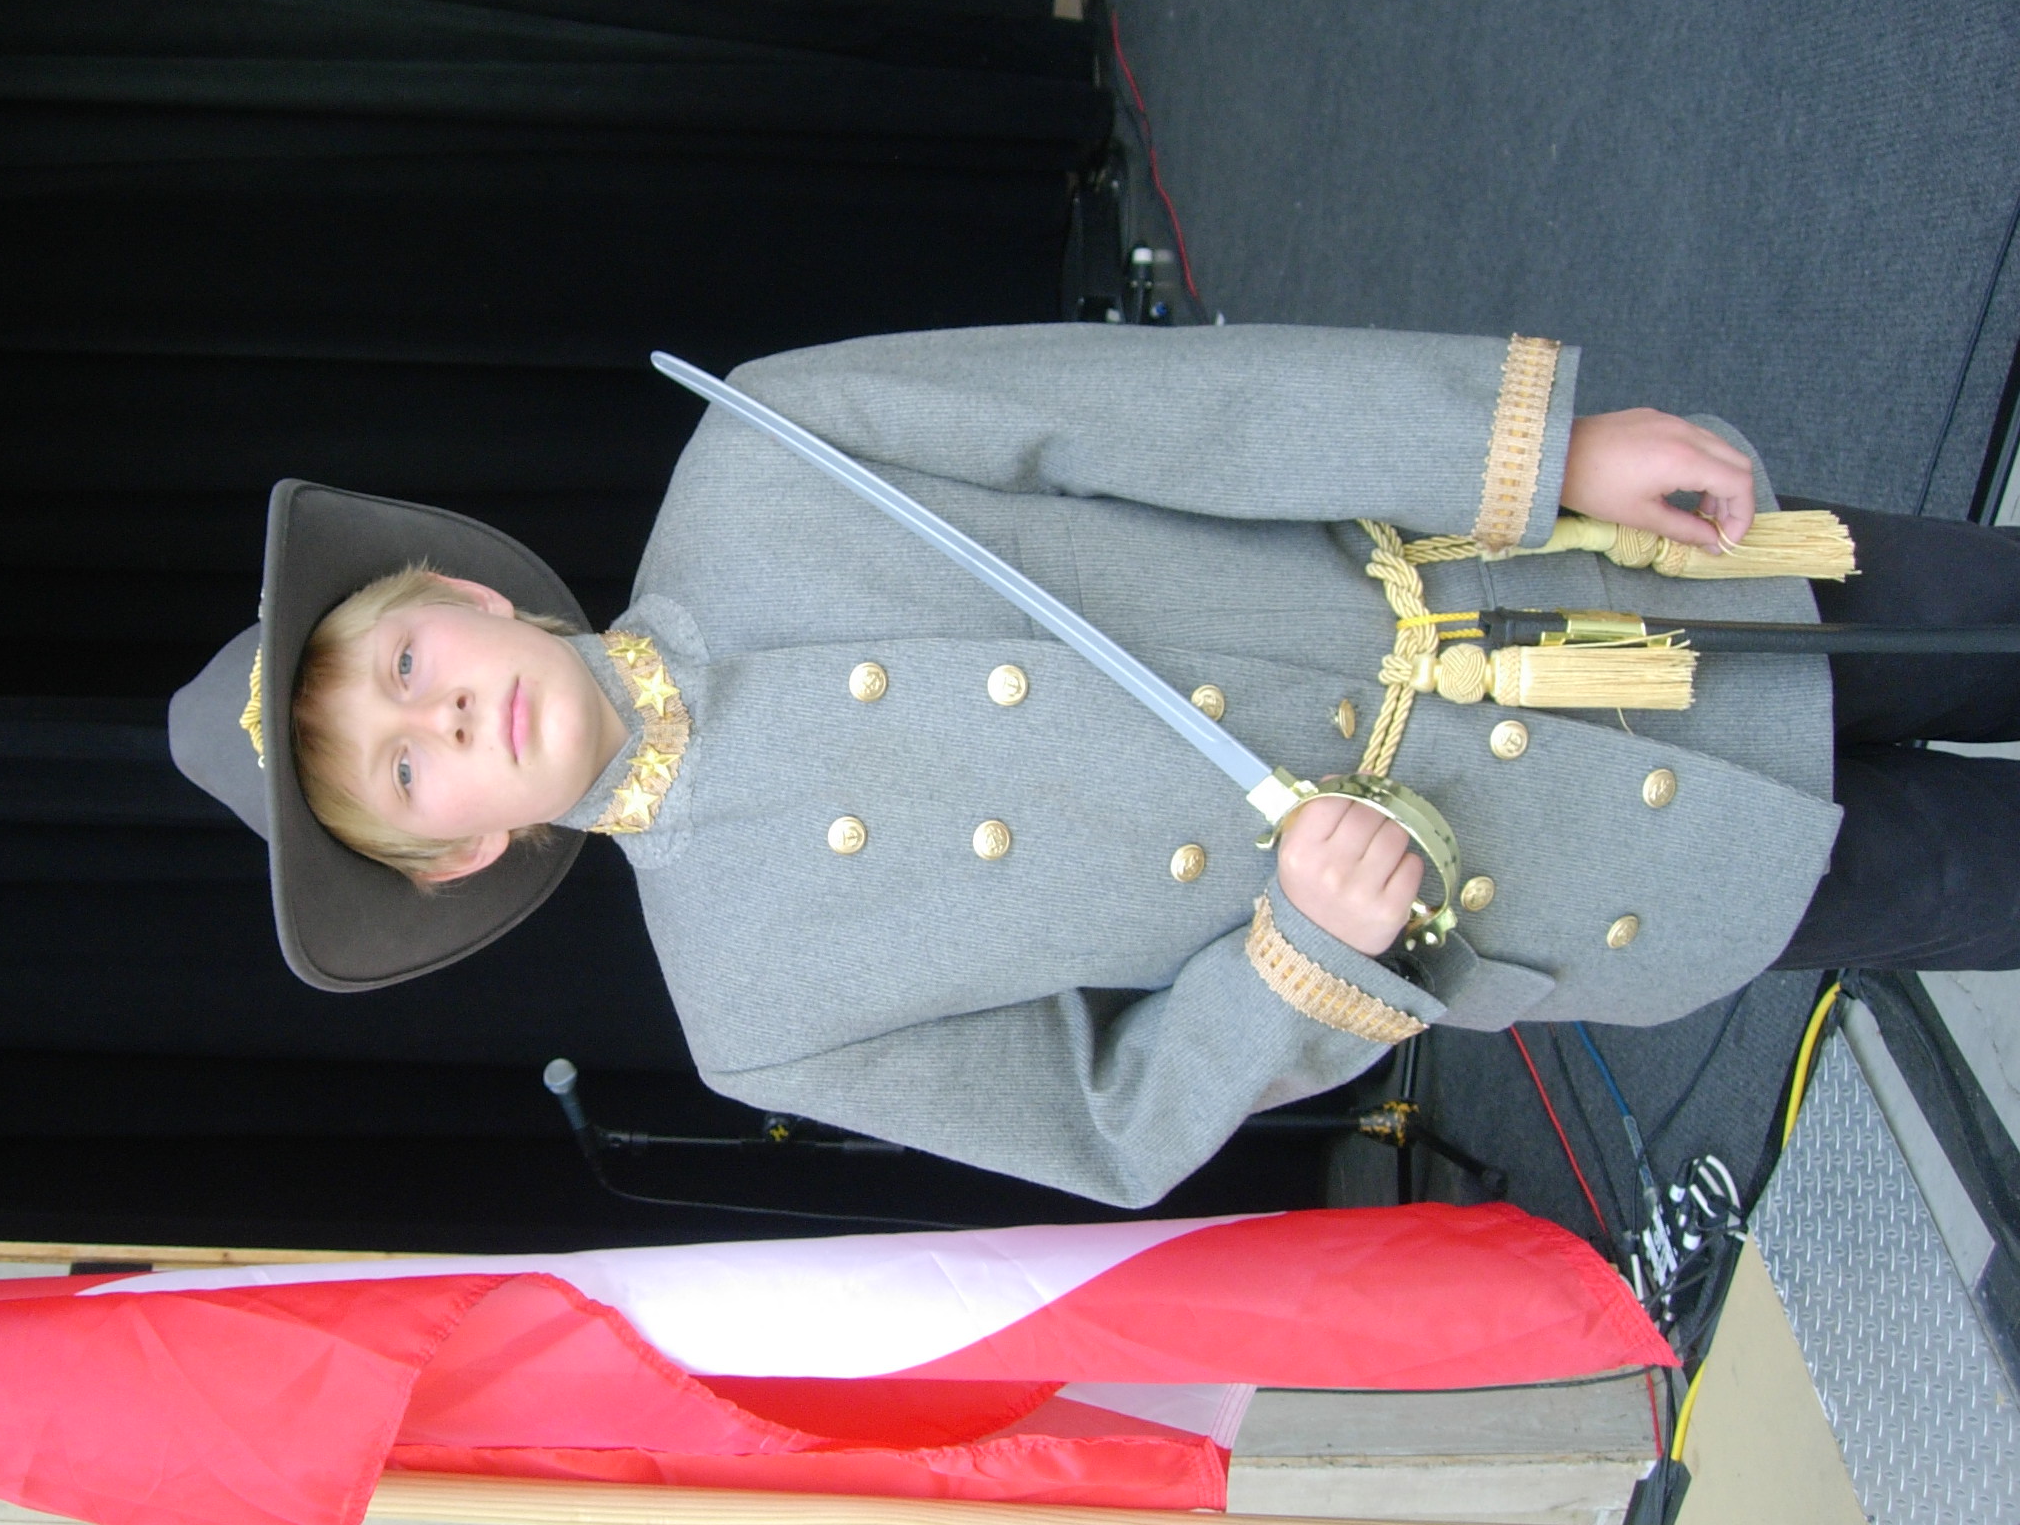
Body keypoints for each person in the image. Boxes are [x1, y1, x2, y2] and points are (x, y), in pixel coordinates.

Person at [168, 324, 2020, 1205]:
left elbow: (1179, 416)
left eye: (406, 664)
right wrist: (1299, 961)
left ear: (463, 591)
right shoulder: (756, 1010)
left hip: (1576, 595)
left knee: (1985, 611)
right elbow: (1111, 1124)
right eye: (402, 776)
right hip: (1571, 866)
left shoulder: (769, 449)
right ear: (459, 858)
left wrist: (1543, 461)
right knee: (1976, 877)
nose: (442, 718)